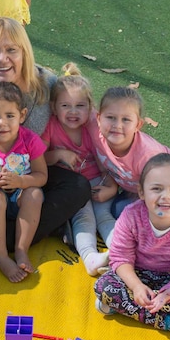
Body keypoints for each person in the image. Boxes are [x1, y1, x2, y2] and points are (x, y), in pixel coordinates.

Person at [0, 17, 91, 274]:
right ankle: (33, 229)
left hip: (26, 179)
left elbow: (84, 109)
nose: (2, 59)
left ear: (24, 52)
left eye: (11, 50)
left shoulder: (45, 84)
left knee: (77, 187)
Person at [94, 154, 170, 334]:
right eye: (156, 188)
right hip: (136, 274)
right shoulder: (130, 215)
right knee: (104, 287)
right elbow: (120, 258)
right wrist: (136, 287)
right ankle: (166, 322)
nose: (166, 197)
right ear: (142, 192)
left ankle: (127, 308)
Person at [87, 86, 170, 257]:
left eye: (126, 120)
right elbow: (71, 96)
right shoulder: (95, 131)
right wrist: (111, 187)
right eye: (110, 117)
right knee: (118, 212)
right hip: (137, 190)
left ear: (138, 125)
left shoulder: (147, 157)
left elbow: (163, 193)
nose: (117, 125)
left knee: (150, 222)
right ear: (98, 118)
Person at [41, 63, 114, 276]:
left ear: (90, 107)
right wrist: (59, 155)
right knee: (84, 219)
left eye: (80, 106)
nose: (73, 112)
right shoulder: (51, 126)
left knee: (105, 217)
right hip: (72, 187)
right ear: (54, 107)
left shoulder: (92, 124)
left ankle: (123, 253)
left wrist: (110, 188)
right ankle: (90, 258)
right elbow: (38, 159)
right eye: (66, 106)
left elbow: (107, 161)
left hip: (97, 182)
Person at [0, 82, 47, 281]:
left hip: (21, 195)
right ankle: (1, 255)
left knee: (35, 193)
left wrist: (21, 181)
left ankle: (21, 249)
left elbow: (41, 176)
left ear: (22, 116)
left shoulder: (30, 141)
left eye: (9, 116)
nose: (1, 123)